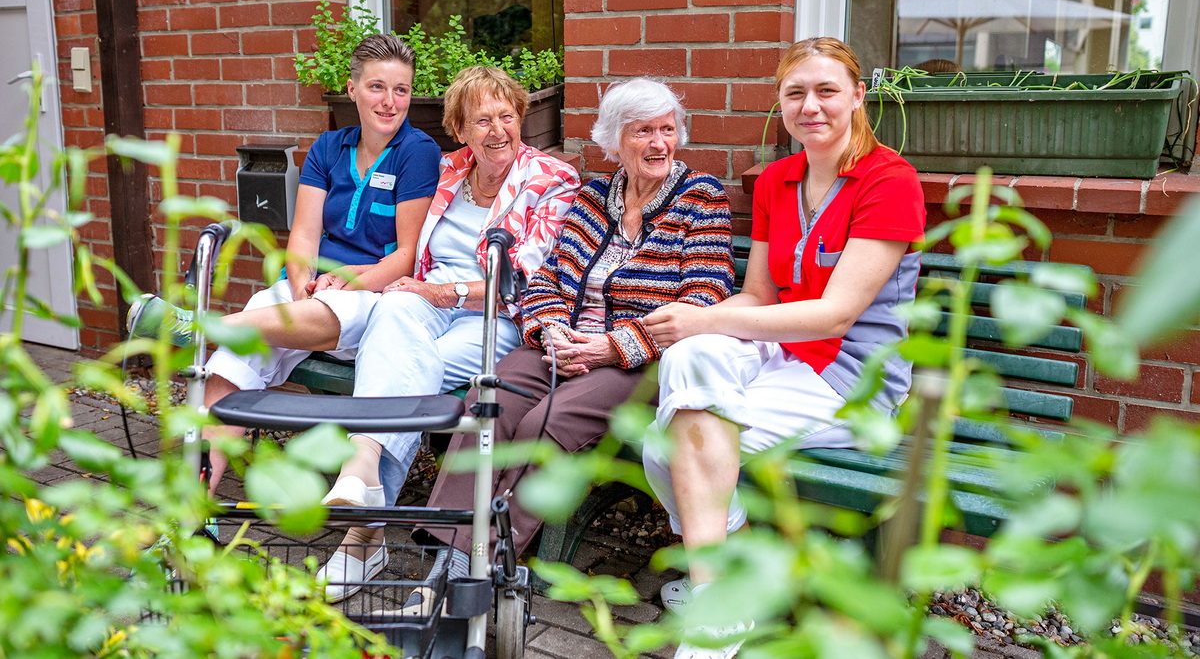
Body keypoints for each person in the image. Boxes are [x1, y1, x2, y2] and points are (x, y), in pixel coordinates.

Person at [398, 77, 736, 613]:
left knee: (546, 422)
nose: (658, 143)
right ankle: (452, 561)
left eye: (667, 130)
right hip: (565, 344)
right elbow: (547, 280)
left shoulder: (701, 198)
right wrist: (552, 331)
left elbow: (705, 297)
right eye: (643, 132)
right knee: (488, 400)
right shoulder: (596, 197)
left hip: (640, 359)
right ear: (614, 141)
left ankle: (487, 565)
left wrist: (613, 346)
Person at [642, 38, 927, 659]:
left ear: (858, 96)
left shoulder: (889, 180)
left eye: (827, 91)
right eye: (795, 93)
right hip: (784, 357)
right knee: (688, 360)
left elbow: (837, 313)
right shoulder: (777, 180)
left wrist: (704, 320)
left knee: (666, 444)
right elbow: (758, 296)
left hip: (850, 376)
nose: (810, 106)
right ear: (780, 102)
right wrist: (700, 325)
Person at [129, 33, 441, 492]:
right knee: (233, 362)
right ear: (352, 89)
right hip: (308, 294)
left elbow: (406, 255)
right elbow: (304, 238)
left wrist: (345, 284)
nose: (390, 102)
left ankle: (202, 327)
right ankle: (195, 503)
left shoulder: (418, 151)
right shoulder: (329, 148)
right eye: (377, 87)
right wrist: (301, 288)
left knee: (309, 312)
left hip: (373, 296)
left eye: (401, 90)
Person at [315, 66, 581, 602]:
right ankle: (364, 474)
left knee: (407, 364)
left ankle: (363, 531)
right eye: (482, 120)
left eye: (507, 116)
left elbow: (524, 276)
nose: (498, 130)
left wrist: (442, 293)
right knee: (395, 316)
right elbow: (408, 249)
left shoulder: (552, 179)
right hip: (426, 300)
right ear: (459, 129)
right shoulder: (448, 170)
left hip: (496, 317)